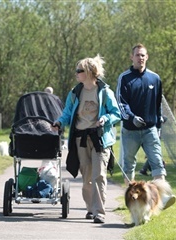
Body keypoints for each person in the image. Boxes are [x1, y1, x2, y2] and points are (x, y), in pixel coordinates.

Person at [52, 55, 121, 224]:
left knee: (99, 175)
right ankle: (90, 208)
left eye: (79, 71)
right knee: (87, 178)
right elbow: (68, 112)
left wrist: (105, 119)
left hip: (99, 139)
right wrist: (60, 122)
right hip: (80, 140)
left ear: (89, 72)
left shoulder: (105, 92)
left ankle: (99, 212)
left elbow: (116, 113)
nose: (76, 73)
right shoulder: (75, 92)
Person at [116, 43, 175, 208]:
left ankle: (161, 198)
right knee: (129, 164)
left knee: (156, 161)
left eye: (143, 55)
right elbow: (121, 103)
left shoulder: (154, 78)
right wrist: (132, 117)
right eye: (137, 55)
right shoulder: (124, 78)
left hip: (150, 130)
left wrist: (158, 125)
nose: (140, 58)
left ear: (147, 57)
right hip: (130, 130)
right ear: (131, 57)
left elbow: (158, 105)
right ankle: (131, 199)